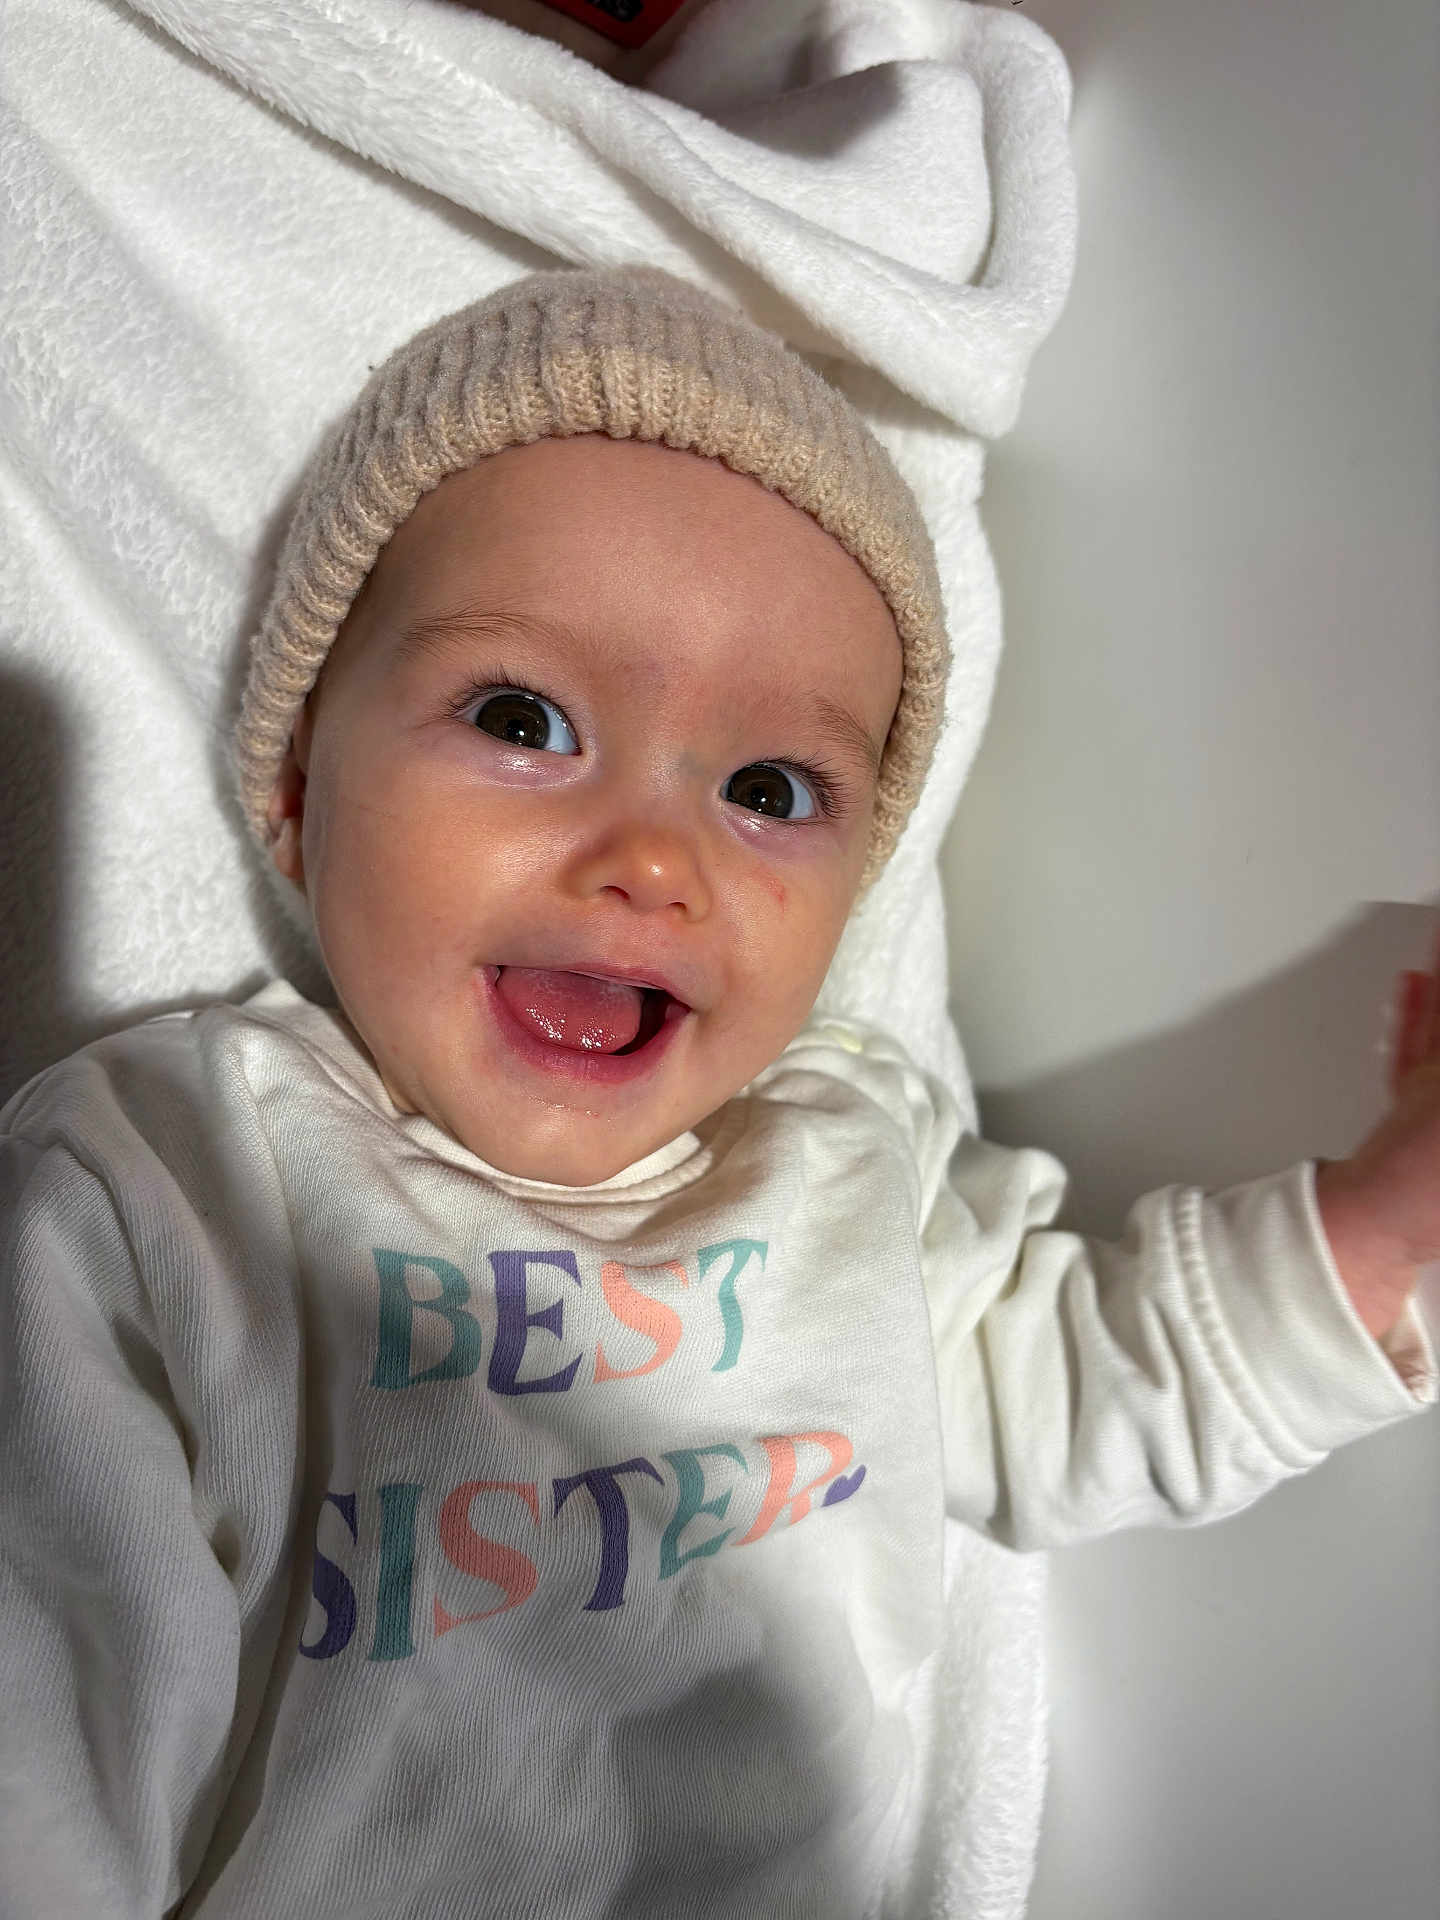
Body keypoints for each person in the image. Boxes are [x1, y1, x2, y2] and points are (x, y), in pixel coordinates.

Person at [1, 264, 1434, 1919]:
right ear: (300, 789)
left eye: (769, 788)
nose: (654, 857)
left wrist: (1394, 1218)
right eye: (525, 719)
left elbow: (1083, 1379)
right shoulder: (173, 1181)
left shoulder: (843, 1166)